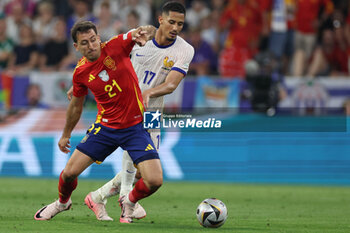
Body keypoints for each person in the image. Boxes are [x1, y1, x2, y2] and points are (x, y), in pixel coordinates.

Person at [34, 20, 161, 223]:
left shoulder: (116, 45)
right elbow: (76, 106)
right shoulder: (80, 73)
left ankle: (129, 201)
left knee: (154, 180)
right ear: (76, 47)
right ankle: (62, 203)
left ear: (98, 38)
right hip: (105, 128)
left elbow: (149, 31)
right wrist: (66, 134)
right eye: (84, 43)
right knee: (68, 174)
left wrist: (144, 31)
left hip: (137, 125)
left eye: (93, 40)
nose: (91, 45)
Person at [80, 1, 194, 223]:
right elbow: (102, 56)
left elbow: (171, 85)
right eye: (171, 22)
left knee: (143, 172)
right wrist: (79, 84)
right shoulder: (140, 39)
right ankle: (125, 199)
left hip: (152, 111)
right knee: (134, 150)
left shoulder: (185, 49)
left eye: (180, 24)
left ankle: (97, 196)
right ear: (160, 20)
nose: (175, 28)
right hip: (123, 106)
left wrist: (149, 93)